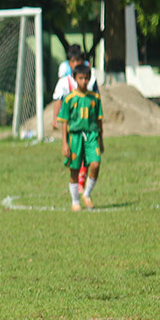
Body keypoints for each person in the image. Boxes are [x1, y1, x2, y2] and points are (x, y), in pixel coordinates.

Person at [58, 63, 104, 211]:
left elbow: (99, 120)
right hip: (75, 137)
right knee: (75, 169)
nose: (84, 81)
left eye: (86, 78)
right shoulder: (69, 98)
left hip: (91, 136)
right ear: (75, 78)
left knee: (95, 164)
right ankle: (75, 201)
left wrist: (101, 139)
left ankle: (87, 194)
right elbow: (64, 122)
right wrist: (64, 143)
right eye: (81, 78)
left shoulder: (95, 98)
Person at [52, 47, 98, 193]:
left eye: (78, 60)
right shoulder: (64, 82)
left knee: (88, 155)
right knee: (75, 157)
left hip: (87, 125)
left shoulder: (91, 80)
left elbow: (96, 100)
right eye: (73, 61)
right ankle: (77, 183)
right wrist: (55, 119)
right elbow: (59, 100)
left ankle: (82, 183)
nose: (76, 63)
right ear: (69, 63)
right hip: (73, 125)